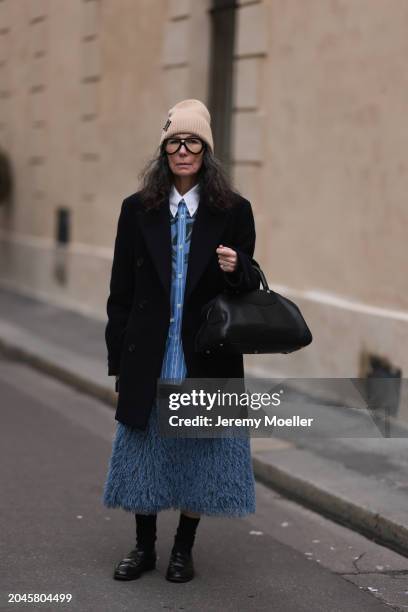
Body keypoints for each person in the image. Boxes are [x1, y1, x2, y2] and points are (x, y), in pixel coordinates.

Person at [102, 99, 260, 583]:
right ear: (164, 151)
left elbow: (249, 287)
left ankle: (182, 550)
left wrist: (238, 271)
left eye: (193, 142)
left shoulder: (233, 210)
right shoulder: (137, 210)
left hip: (205, 353)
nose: (183, 151)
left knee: (200, 457)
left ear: (205, 151)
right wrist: (117, 359)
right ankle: (144, 546)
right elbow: (120, 293)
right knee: (145, 451)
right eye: (174, 142)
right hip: (149, 351)